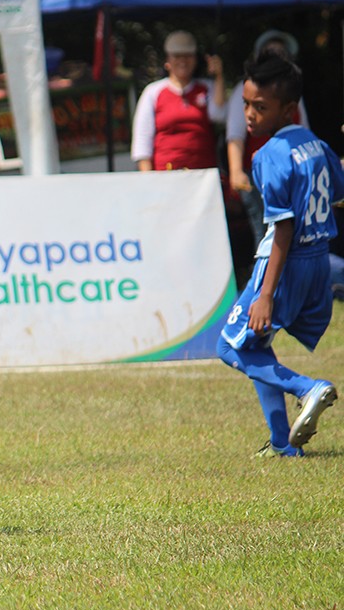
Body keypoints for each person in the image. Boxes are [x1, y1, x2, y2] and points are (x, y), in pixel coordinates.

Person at [216, 53, 344, 458]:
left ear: (288, 109)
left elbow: (283, 228)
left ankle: (308, 388)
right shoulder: (315, 144)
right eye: (245, 104)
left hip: (284, 263)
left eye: (260, 107)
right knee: (256, 343)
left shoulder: (269, 155)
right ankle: (281, 444)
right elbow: (338, 192)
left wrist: (266, 294)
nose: (249, 115)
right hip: (317, 260)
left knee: (230, 347)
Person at [225, 30, 309, 243]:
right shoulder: (247, 88)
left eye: (260, 107)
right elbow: (235, 135)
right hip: (255, 176)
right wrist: (236, 171)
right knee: (265, 232)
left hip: (291, 174)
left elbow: (305, 133)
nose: (250, 113)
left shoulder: (292, 93)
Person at [131, 30, 226, 172]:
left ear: (195, 59)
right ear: (167, 61)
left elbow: (219, 115)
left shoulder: (207, 87)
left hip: (203, 174)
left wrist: (219, 77)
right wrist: (148, 178)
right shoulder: (153, 92)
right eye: (177, 56)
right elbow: (142, 140)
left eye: (188, 56)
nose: (183, 61)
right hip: (165, 173)